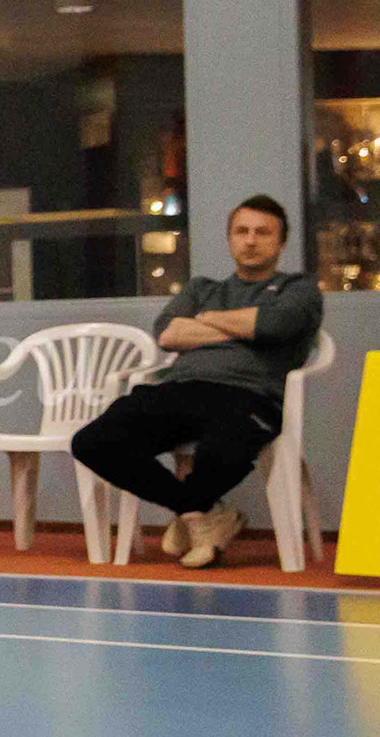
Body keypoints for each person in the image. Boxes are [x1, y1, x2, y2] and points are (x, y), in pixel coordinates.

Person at [70, 195, 323, 569]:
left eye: (263, 232)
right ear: (229, 239)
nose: (251, 240)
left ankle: (192, 514)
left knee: (225, 449)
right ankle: (199, 512)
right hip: (180, 388)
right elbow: (167, 333)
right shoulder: (202, 289)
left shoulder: (298, 288)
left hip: (251, 395)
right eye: (242, 231)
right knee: (92, 441)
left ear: (281, 242)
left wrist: (205, 320)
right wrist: (244, 327)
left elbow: (275, 324)